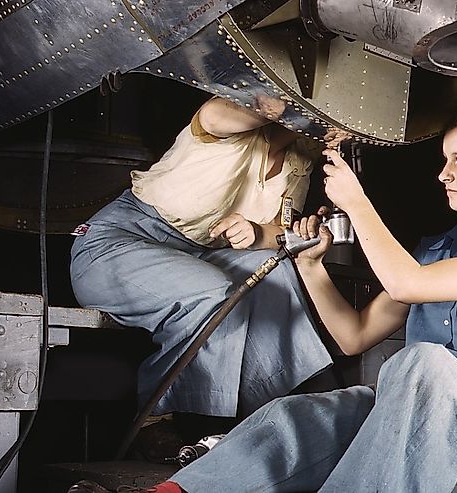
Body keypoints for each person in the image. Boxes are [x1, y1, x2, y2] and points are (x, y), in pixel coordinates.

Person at [153, 93, 457, 492]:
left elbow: (407, 284)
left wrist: (357, 203)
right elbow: (354, 336)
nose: (443, 174)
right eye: (445, 159)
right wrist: (311, 266)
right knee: (301, 415)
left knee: (426, 361)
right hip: (400, 408)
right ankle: (182, 490)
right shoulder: (433, 252)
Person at [69, 95, 338, 431]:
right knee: (211, 291)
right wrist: (286, 108)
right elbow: (216, 116)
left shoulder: (301, 158)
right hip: (119, 243)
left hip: (196, 255)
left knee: (275, 268)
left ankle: (273, 419)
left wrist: (256, 232)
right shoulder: (226, 121)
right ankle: (159, 421)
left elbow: (279, 231)